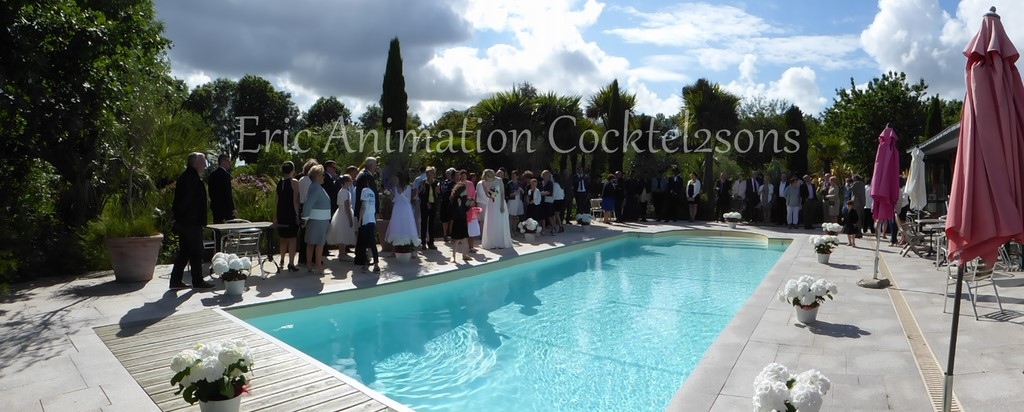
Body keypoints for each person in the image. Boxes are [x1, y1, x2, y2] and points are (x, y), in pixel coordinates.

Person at [169, 153, 215, 290]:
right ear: (195, 163)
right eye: (203, 161)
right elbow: (185, 201)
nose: (205, 164)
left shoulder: (188, 177)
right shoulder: (191, 179)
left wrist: (177, 217)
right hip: (191, 222)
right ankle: (198, 281)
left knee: (185, 251)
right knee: (196, 251)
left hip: (186, 221)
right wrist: (179, 217)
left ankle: (175, 281)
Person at [302, 165, 331, 274]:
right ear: (317, 176)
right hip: (318, 220)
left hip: (318, 219)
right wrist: (305, 218)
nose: (324, 177)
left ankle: (310, 264)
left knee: (311, 242)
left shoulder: (315, 187)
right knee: (319, 242)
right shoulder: (316, 187)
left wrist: (305, 218)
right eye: (322, 174)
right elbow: (308, 204)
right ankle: (318, 265)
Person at [274, 161, 301, 272]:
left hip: (281, 213)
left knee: (283, 239)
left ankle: (282, 259)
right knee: (292, 239)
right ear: (292, 170)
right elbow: (295, 200)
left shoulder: (279, 183)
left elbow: (276, 200)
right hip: (291, 212)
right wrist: (297, 215)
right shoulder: (294, 182)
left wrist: (275, 215)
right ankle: (291, 262)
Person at [385, 174, 420, 253]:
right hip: (397, 209)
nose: (395, 181)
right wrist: (390, 195)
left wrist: (401, 193)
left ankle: (411, 249)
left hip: (405, 210)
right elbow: (396, 199)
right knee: (397, 227)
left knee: (407, 227)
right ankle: (395, 249)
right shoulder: (395, 187)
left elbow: (408, 201)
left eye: (396, 179)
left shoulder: (408, 187)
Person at [479, 169, 513, 248]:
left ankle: (501, 242)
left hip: (500, 202)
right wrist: (490, 194)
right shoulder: (483, 182)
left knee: (500, 222)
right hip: (491, 204)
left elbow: (502, 193)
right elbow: (486, 194)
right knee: (492, 222)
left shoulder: (499, 180)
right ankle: (492, 243)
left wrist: (502, 206)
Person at [326, 175, 356, 262]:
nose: (350, 183)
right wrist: (350, 219)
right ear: (344, 183)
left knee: (342, 233)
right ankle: (342, 254)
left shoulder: (343, 191)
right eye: (349, 181)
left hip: (341, 212)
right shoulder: (345, 192)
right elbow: (346, 207)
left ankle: (342, 252)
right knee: (343, 234)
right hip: (344, 214)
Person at [296, 159, 319, 265]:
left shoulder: (301, 180)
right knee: (313, 234)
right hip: (312, 207)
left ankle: (302, 258)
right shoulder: (312, 181)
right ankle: (312, 258)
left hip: (302, 206)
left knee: (303, 234)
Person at [355, 178, 380, 273]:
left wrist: (359, 220)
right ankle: (375, 263)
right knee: (372, 243)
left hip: (365, 219)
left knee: (365, 243)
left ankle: (366, 264)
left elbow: (363, 206)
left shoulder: (364, 191)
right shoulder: (372, 193)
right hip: (372, 219)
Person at [208, 154, 236, 224]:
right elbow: (227, 193)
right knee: (231, 226)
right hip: (226, 208)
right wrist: (232, 208)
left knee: (218, 225)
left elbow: (210, 192)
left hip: (215, 207)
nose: (230, 163)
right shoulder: (225, 175)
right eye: (228, 161)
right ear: (223, 161)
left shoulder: (212, 175)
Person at [449, 182, 470, 263]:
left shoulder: (464, 198)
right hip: (457, 220)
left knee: (465, 239)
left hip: (463, 220)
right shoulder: (455, 198)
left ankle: (464, 255)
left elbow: (465, 209)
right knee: (456, 240)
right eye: (465, 190)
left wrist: (469, 205)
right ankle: (453, 256)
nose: (466, 191)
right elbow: (451, 210)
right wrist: (458, 205)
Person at [419, 166, 439, 249]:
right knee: (424, 223)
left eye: (431, 174)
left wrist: (438, 192)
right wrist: (426, 202)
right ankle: (423, 243)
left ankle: (431, 242)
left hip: (433, 204)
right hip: (425, 205)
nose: (429, 176)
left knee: (432, 224)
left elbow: (439, 194)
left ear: (433, 174)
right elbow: (420, 194)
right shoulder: (423, 183)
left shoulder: (437, 183)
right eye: (428, 174)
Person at [439, 168, 457, 242]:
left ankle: (452, 235)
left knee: (452, 219)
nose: (448, 175)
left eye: (449, 173)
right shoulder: (444, 182)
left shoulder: (455, 183)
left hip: (451, 203)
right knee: (445, 219)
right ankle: (445, 235)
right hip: (444, 202)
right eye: (447, 174)